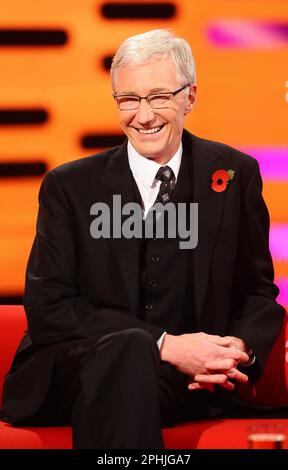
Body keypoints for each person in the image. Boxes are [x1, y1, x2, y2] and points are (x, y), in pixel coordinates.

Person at [1, 29, 285, 449]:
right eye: (129, 99)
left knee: (139, 370)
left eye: (159, 97)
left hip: (181, 383)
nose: (144, 115)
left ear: (190, 96)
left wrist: (233, 350)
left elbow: (257, 291)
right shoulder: (69, 186)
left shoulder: (234, 173)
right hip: (76, 367)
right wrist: (166, 344)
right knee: (130, 351)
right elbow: (49, 308)